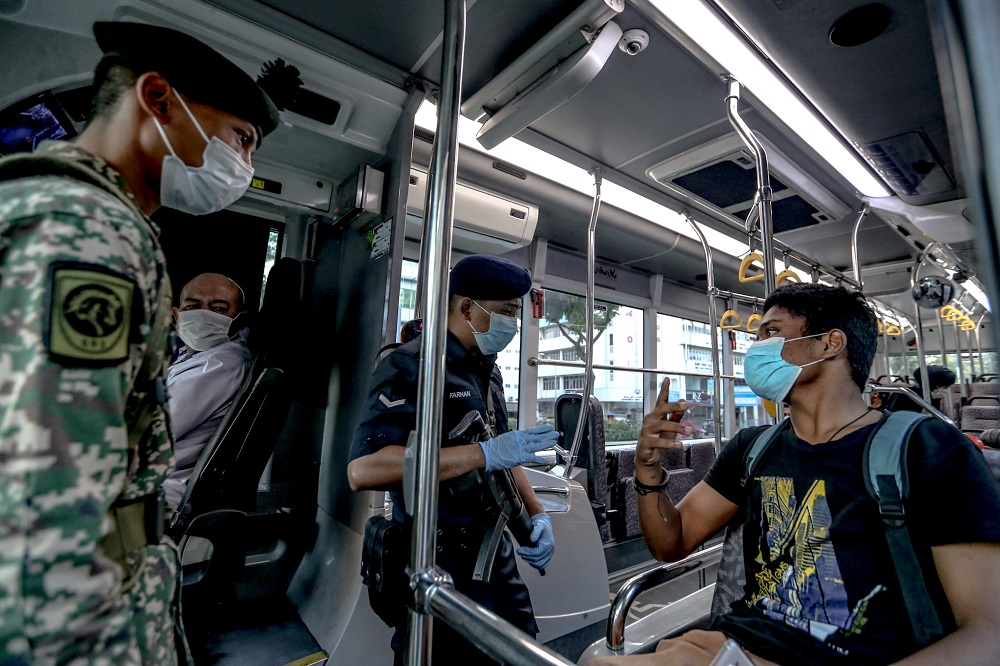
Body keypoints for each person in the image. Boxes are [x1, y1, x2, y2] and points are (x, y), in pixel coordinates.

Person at [0, 22, 278, 664]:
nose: (245, 164)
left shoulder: (73, 216)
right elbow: (49, 508)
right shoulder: (88, 234)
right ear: (158, 99)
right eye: (242, 138)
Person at [589, 283, 1000, 665]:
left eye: (771, 332)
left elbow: (987, 631)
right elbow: (672, 542)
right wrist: (647, 469)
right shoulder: (752, 448)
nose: (757, 348)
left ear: (829, 343)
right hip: (734, 647)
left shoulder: (927, 451)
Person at [348, 254, 559, 665]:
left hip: (494, 556)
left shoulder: (487, 369)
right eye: (505, 313)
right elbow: (365, 468)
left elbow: (501, 449)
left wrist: (536, 515)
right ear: (466, 308)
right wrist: (482, 454)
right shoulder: (410, 365)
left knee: (523, 652)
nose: (512, 326)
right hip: (437, 558)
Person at [164, 272, 252, 510]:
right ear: (176, 315)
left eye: (219, 308)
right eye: (193, 306)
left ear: (239, 319)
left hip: (159, 489)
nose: (204, 314)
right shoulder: (194, 358)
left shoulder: (220, 364)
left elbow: (149, 428)